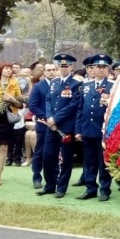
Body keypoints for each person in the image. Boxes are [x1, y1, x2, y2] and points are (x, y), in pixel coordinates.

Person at [38, 53, 82, 198]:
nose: (63, 68)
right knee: (47, 156)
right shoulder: (54, 83)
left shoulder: (76, 84)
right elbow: (48, 101)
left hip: (66, 127)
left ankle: (61, 187)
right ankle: (50, 184)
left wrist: (56, 119)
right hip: (51, 126)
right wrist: (50, 118)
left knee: (66, 158)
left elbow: (73, 105)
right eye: (61, 66)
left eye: (66, 66)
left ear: (71, 67)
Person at [74, 54, 114, 202]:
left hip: (103, 130)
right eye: (98, 67)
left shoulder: (112, 86)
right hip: (87, 129)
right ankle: (90, 188)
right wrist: (78, 130)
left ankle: (105, 189)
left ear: (108, 69)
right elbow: (80, 109)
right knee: (89, 161)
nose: (101, 70)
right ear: (92, 68)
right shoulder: (85, 86)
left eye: (104, 67)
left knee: (103, 162)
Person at [28, 63, 57, 190]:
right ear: (44, 72)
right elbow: (33, 106)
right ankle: (37, 177)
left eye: (53, 70)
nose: (51, 72)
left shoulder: (60, 86)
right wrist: (46, 117)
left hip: (58, 124)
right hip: (44, 124)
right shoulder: (38, 87)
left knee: (54, 152)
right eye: (49, 70)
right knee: (40, 151)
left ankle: (54, 178)